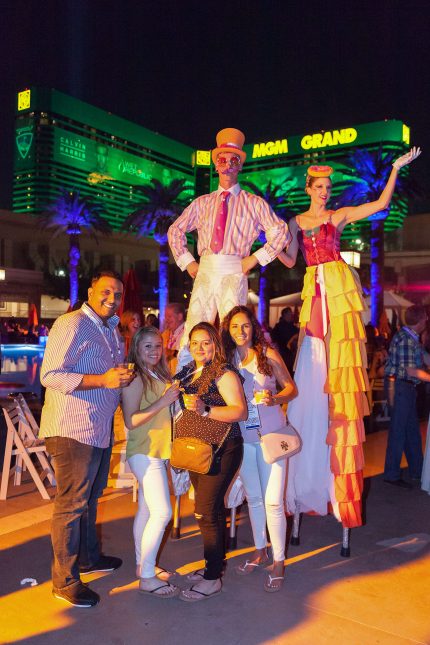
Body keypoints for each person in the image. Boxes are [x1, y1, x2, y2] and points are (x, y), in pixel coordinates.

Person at [278, 147, 421, 530]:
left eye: (328, 186)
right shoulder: (295, 221)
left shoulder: (336, 217)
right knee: (311, 368)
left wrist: (394, 170)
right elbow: (291, 259)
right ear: (309, 187)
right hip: (314, 289)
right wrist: (274, 236)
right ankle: (305, 477)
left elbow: (380, 203)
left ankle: (337, 477)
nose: (325, 192)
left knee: (341, 367)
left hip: (337, 287)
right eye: (320, 186)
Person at [39, 270, 135, 608]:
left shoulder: (108, 330)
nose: (113, 297)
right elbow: (49, 374)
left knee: (90, 500)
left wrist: (122, 377)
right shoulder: (72, 323)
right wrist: (104, 379)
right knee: (71, 504)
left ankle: (89, 559)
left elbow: (109, 378)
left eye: (118, 293)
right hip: (71, 428)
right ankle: (64, 581)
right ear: (91, 291)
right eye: (106, 290)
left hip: (98, 427)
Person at [168, 128, 290, 365]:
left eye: (233, 160)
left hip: (234, 267)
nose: (227, 165)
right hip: (205, 268)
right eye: (222, 160)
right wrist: (188, 262)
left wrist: (255, 258)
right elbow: (175, 230)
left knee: (235, 329)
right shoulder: (201, 203)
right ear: (215, 164)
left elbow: (281, 232)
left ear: (240, 165)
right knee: (195, 325)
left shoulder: (254, 203)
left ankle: (237, 385)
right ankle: (186, 386)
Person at [221, 306, 297, 592]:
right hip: (244, 439)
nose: (241, 331)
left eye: (246, 326)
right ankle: (259, 549)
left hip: (273, 436)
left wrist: (275, 398)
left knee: (273, 502)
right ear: (228, 331)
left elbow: (291, 388)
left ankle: (278, 560)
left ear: (253, 327)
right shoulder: (227, 361)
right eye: (235, 327)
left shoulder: (268, 355)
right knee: (253, 499)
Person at [174, 322, 247, 602]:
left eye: (206, 342)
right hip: (198, 449)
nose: (200, 348)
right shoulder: (189, 372)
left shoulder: (224, 372)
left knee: (206, 511)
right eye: (195, 343)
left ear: (215, 344)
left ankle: (213, 577)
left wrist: (206, 409)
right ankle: (211, 566)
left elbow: (239, 411)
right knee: (208, 510)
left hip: (223, 449)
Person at [122, 326, 181, 598]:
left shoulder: (157, 373)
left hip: (157, 451)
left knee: (146, 511)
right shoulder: (135, 377)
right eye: (148, 346)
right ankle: (146, 575)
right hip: (144, 452)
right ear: (136, 348)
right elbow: (130, 420)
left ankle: (143, 565)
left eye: (157, 346)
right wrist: (163, 401)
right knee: (163, 513)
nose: (154, 351)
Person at [384, 304, 430, 487]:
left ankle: (417, 472)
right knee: (399, 431)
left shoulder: (411, 337)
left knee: (411, 431)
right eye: (425, 317)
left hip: (405, 388)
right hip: (400, 387)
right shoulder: (405, 339)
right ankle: (392, 474)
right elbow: (412, 371)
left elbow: (424, 357)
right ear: (420, 320)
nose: (427, 319)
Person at [271, 307, 299, 373]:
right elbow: (274, 338)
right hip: (283, 353)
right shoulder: (279, 326)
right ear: (284, 315)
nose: (291, 316)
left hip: (291, 354)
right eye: (289, 314)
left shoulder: (293, 327)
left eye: (291, 314)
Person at [162, 302, 186, 373]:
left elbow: (191, 355)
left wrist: (173, 352)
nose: (166, 320)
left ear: (179, 317)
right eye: (165, 317)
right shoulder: (165, 333)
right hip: (167, 376)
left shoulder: (188, 333)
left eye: (169, 316)